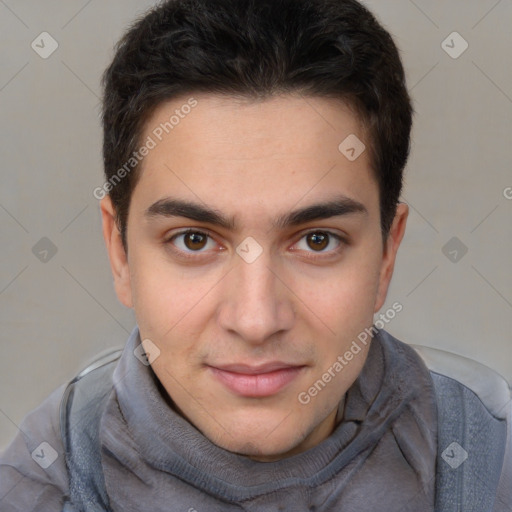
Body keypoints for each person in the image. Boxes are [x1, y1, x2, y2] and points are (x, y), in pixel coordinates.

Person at [1, 0, 510, 510]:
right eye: (194, 240)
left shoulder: (491, 459)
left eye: (317, 240)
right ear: (120, 253)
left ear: (386, 255)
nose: (256, 320)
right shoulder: (41, 486)